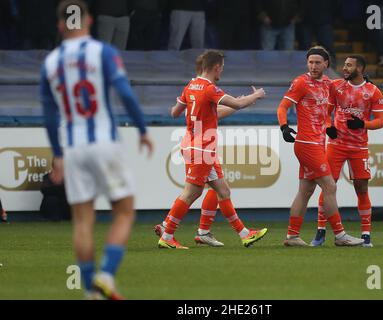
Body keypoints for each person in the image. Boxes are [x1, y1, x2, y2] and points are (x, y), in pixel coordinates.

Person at [40, 0, 153, 299]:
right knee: (124, 212)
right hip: (105, 143)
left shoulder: (51, 63)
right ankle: (106, 274)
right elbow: (125, 92)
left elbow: (50, 116)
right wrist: (142, 130)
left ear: (60, 25)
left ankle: (91, 292)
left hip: (74, 148)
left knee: (83, 220)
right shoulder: (103, 52)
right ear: (89, 21)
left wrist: (58, 155)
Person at [157, 49, 268, 249]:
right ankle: (167, 233)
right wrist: (255, 95)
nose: (221, 73)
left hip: (195, 145)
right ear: (216, 67)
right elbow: (237, 103)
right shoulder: (210, 89)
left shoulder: (191, 86)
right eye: (221, 69)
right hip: (201, 148)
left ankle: (244, 234)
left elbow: (175, 113)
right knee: (191, 192)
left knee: (223, 191)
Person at [277, 46, 364, 247]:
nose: (313, 66)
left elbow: (341, 93)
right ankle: (340, 235)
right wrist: (284, 127)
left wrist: (328, 126)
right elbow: (283, 106)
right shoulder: (300, 83)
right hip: (307, 144)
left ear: (326, 64)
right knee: (330, 186)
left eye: (317, 62)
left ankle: (292, 236)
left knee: (305, 191)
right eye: (310, 62)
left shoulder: (328, 83)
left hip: (318, 142)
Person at [311, 55, 383, 248]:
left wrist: (363, 123)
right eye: (344, 64)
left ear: (359, 68)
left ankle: (366, 234)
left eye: (349, 65)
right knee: (328, 186)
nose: (345, 68)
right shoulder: (336, 86)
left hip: (359, 147)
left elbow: (380, 121)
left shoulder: (373, 92)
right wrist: (329, 126)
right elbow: (327, 112)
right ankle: (320, 231)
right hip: (336, 145)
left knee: (361, 188)